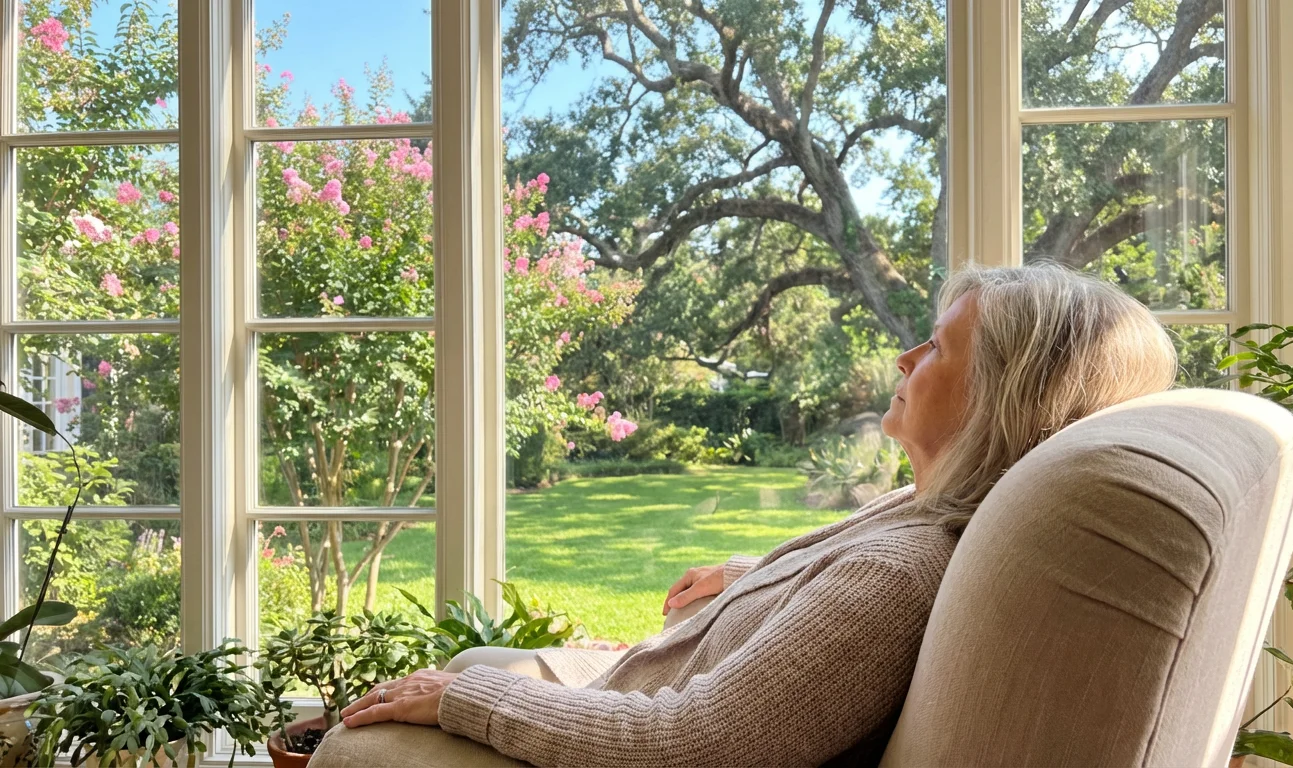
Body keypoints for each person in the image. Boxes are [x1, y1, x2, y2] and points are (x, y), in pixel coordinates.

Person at [329, 264, 1179, 767]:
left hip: (644, 731)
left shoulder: (899, 576)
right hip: (653, 678)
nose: (905, 356)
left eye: (939, 348)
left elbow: (694, 748)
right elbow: (836, 600)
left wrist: (460, 702)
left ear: (1000, 392)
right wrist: (754, 578)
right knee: (480, 658)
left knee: (379, 734)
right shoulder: (920, 510)